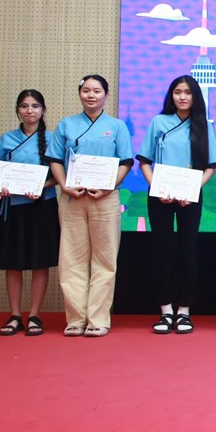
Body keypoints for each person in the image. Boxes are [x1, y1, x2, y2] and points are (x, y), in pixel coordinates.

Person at [46, 75, 133, 337]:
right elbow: (55, 160)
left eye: (96, 91)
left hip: (105, 198)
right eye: (86, 91)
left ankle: (98, 319)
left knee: (105, 259)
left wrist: (108, 186)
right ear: (80, 94)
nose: (91, 95)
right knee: (72, 258)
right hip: (73, 198)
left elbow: (126, 162)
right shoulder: (66, 124)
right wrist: (65, 185)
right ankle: (75, 319)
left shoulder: (117, 126)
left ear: (106, 95)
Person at [137, 75, 216, 335]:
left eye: (188, 92)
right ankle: (165, 311)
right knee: (162, 252)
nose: (182, 97)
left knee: (188, 252)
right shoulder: (158, 122)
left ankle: (184, 311)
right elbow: (144, 161)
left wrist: (193, 190)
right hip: (159, 197)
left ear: (196, 96)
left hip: (190, 197)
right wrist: (157, 188)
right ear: (171, 95)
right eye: (177, 92)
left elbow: (211, 166)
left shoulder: (203, 125)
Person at [0, 90, 61, 337]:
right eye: (25, 106)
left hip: (42, 205)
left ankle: (35, 314)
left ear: (43, 110)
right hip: (12, 206)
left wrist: (42, 186)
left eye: (35, 106)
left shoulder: (53, 139)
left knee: (40, 262)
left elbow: (60, 175)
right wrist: (1, 187)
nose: (30, 111)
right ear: (18, 110)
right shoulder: (7, 139)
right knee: (13, 263)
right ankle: (15, 314)